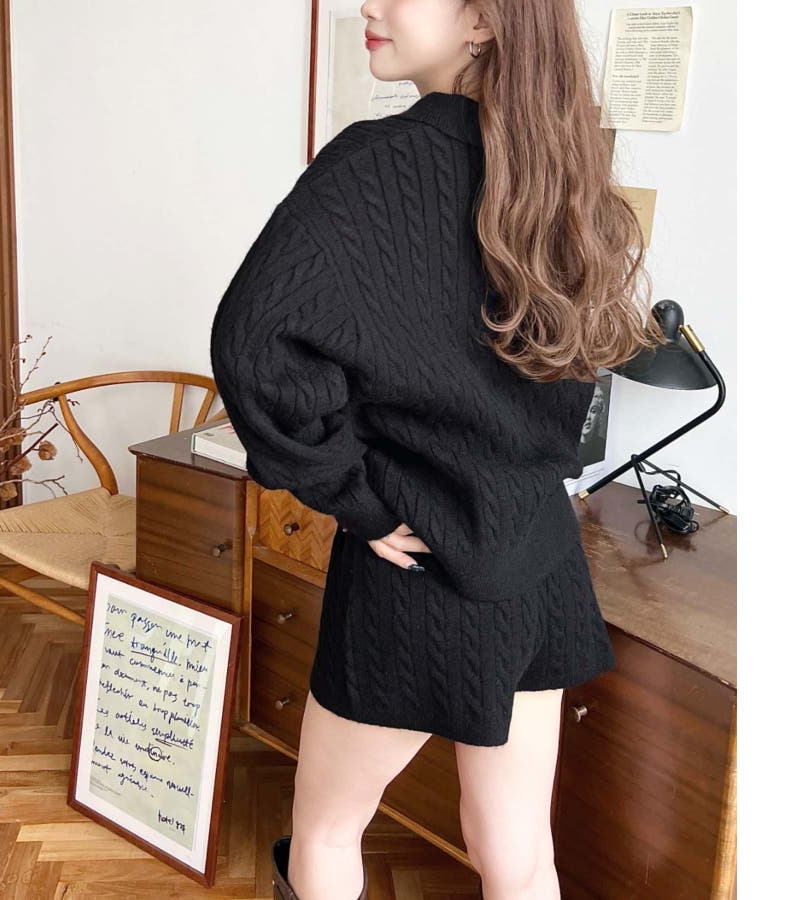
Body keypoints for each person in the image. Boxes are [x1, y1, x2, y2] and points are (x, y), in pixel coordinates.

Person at [209, 2, 665, 898]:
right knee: (519, 856)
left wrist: (352, 495)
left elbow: (254, 345)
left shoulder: (372, 165)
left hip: (416, 562)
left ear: (485, 20)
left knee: (329, 829)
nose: (369, 5)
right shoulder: (564, 172)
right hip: (536, 557)